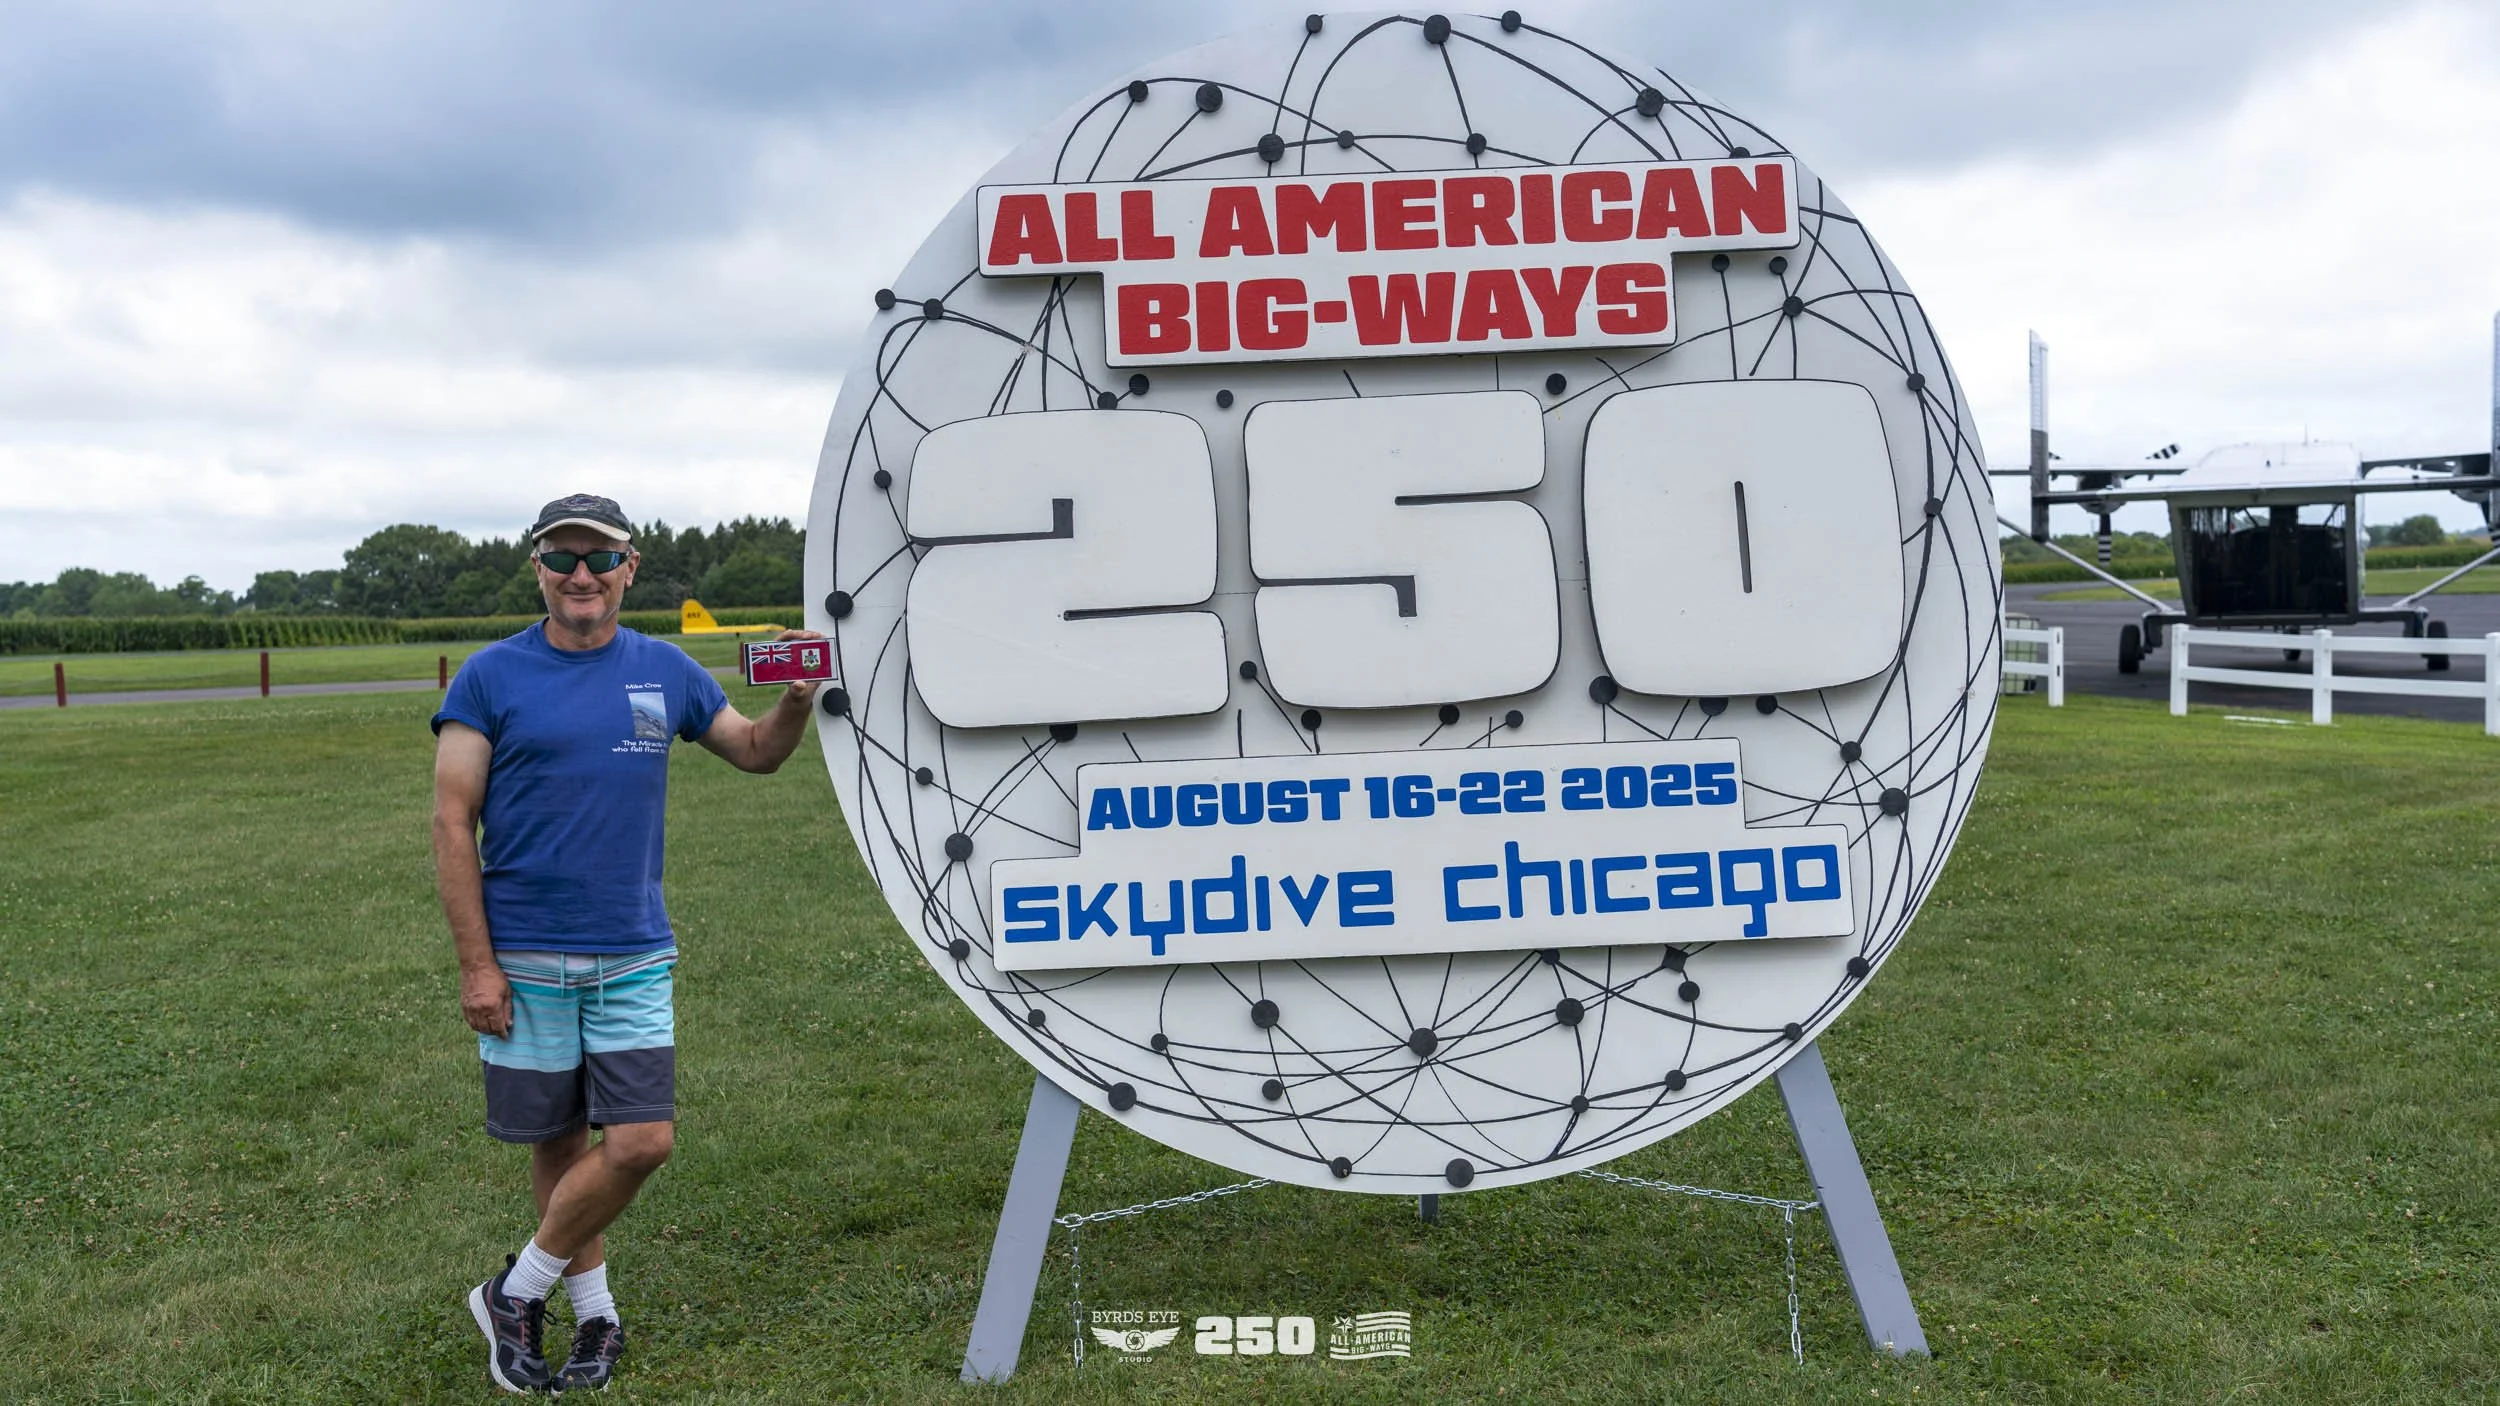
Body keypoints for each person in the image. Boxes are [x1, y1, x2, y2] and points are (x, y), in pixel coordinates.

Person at [431, 493, 823, 1393]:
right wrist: (477, 966)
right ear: (538, 567)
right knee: (560, 1145)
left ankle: (512, 1292)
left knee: (641, 1141)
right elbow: (453, 824)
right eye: (563, 558)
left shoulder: (668, 669)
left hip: (634, 952)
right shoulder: (488, 678)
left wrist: (796, 704)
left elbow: (758, 751)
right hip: (525, 957)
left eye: (599, 560)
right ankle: (594, 1321)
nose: (582, 576)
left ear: (629, 569)